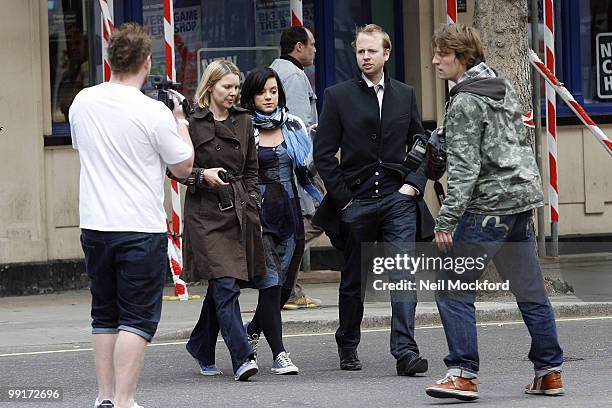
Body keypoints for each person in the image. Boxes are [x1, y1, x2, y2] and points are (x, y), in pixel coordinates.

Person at [425, 23, 564, 401]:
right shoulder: (502, 85)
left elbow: (466, 169)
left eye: (443, 54)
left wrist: (446, 219)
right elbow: (518, 141)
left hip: (488, 205)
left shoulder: (466, 100)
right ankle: (549, 371)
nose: (435, 60)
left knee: (452, 288)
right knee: (529, 290)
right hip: (520, 201)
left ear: (463, 57)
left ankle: (463, 374)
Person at [69, 23, 194, 408]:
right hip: (140, 228)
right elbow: (184, 166)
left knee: (104, 313)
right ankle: (125, 400)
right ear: (146, 60)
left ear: (110, 60)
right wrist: (181, 120)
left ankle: (105, 397)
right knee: (137, 319)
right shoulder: (152, 111)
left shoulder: (82, 102)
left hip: (94, 224)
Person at [313, 24, 432, 374]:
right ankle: (348, 343)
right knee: (353, 281)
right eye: (360, 51)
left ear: (386, 53)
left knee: (403, 274)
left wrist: (413, 184)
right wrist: (345, 201)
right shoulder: (337, 96)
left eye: (371, 51)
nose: (365, 57)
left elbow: (421, 143)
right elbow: (323, 155)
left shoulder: (405, 94)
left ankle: (405, 351)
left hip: (399, 199)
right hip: (356, 201)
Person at [169, 60, 264, 382]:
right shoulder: (191, 122)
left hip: (239, 210)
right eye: (227, 87)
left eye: (236, 87)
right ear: (210, 87)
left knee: (224, 285)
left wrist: (252, 202)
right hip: (206, 214)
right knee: (224, 285)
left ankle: (199, 345)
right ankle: (242, 357)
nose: (233, 93)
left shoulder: (244, 121)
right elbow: (175, 169)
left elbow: (252, 170)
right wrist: (201, 175)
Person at [240, 67, 322, 374]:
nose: (268, 97)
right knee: (271, 285)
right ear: (252, 96)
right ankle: (280, 355)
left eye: (273, 91)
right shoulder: (244, 128)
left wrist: (324, 201)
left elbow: (308, 173)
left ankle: (251, 330)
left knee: (284, 290)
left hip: (291, 216)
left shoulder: (293, 126)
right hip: (260, 219)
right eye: (262, 92)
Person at [270, 25, 323, 310]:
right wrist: (310, 169)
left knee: (304, 221)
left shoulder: (279, 70)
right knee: (319, 216)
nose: (315, 49)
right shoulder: (293, 76)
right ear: (299, 47)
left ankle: (291, 288)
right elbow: (300, 126)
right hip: (299, 165)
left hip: (285, 163)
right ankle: (285, 282)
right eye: (312, 44)